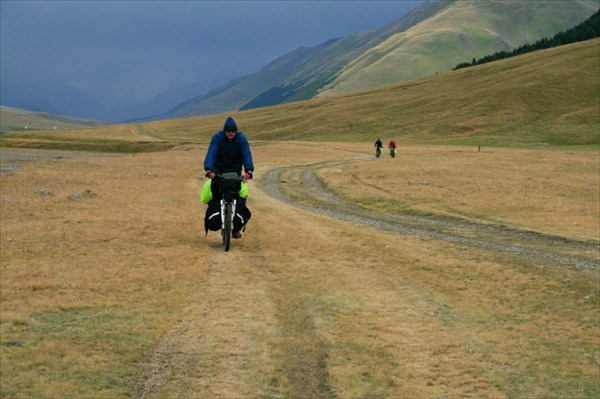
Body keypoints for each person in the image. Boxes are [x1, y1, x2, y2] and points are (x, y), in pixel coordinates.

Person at [204, 116, 254, 238]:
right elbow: (212, 152)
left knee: (240, 196)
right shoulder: (217, 138)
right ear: (224, 130)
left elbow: (246, 153)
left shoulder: (241, 139)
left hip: (235, 171)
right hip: (218, 170)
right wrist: (209, 169)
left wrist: (249, 171)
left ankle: (235, 228)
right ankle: (216, 216)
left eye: (233, 131)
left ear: (236, 131)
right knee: (215, 193)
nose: (230, 133)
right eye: (228, 131)